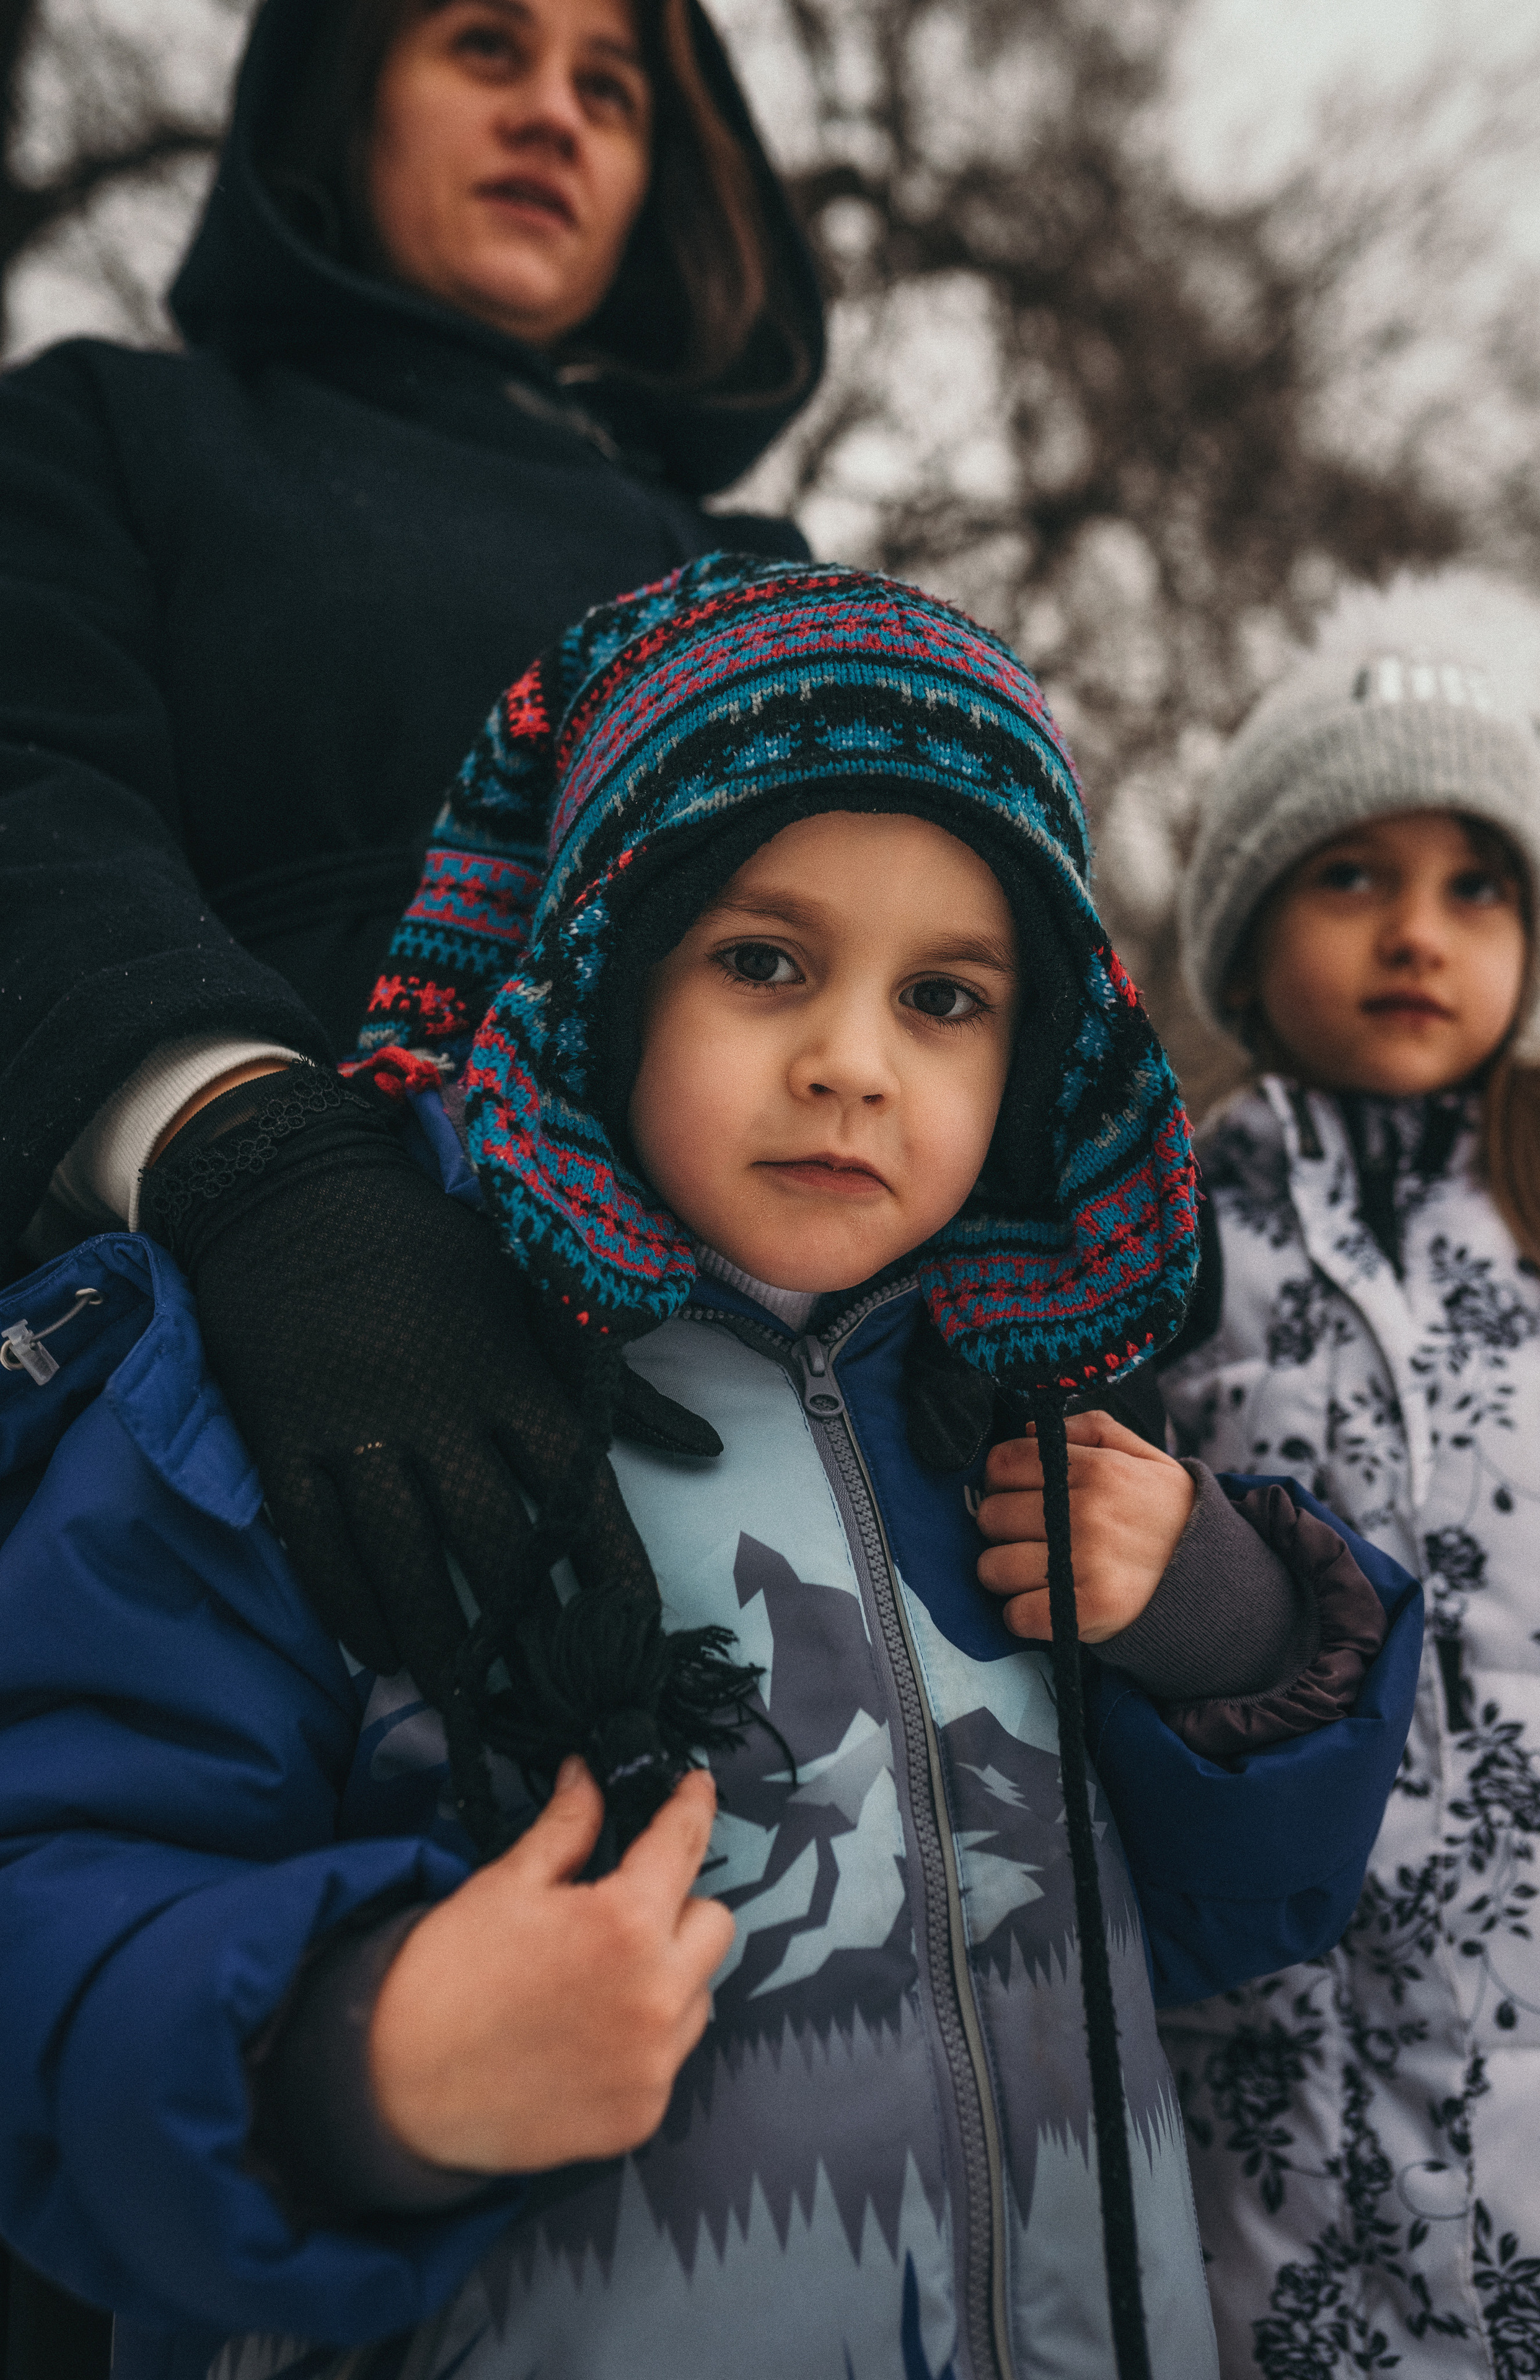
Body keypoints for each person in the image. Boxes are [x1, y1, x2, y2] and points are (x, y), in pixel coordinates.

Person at [0, 555, 1422, 2380]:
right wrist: (361, 2061)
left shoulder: (1010, 1395)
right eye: (765, 962)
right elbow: (61, 1887)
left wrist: (1225, 1627)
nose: (852, 1064)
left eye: (946, 997)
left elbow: (1220, 1931)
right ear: (600, 962)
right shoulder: (338, 1385)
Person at [0, 21, 816, 2345]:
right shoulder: (110, 435)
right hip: (234, 1452)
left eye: (617, 82)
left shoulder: (754, 575)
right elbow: (23, 786)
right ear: (332, 101)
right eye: (485, 41)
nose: (557, 107)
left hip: (764, 1465)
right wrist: (252, 1157)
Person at [1152, 576, 1540, 2378]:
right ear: (1249, 929)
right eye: (1353, 874)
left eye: (1475, 885)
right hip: (1280, 2078)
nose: (1418, 930)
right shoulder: (1162, 1233)